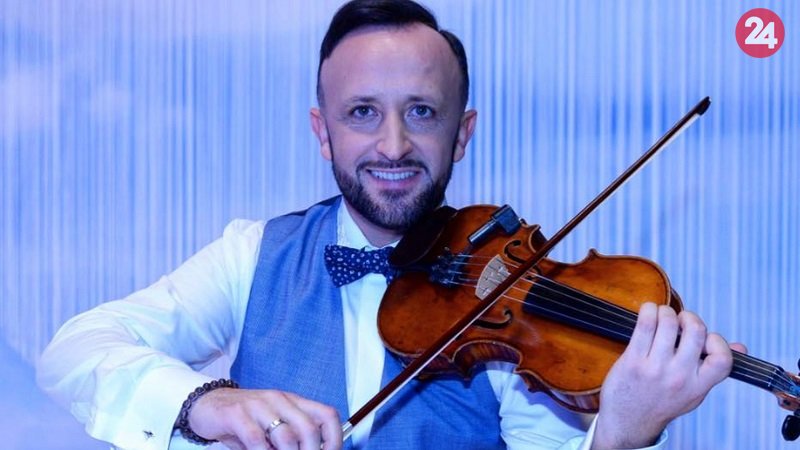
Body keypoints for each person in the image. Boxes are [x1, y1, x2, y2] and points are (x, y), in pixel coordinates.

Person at [37, 1, 745, 449]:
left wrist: (619, 434)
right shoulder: (251, 256)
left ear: (462, 134)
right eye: (362, 113)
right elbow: (75, 350)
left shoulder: (517, 299)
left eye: (422, 112)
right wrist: (205, 402)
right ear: (323, 132)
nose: (394, 145)